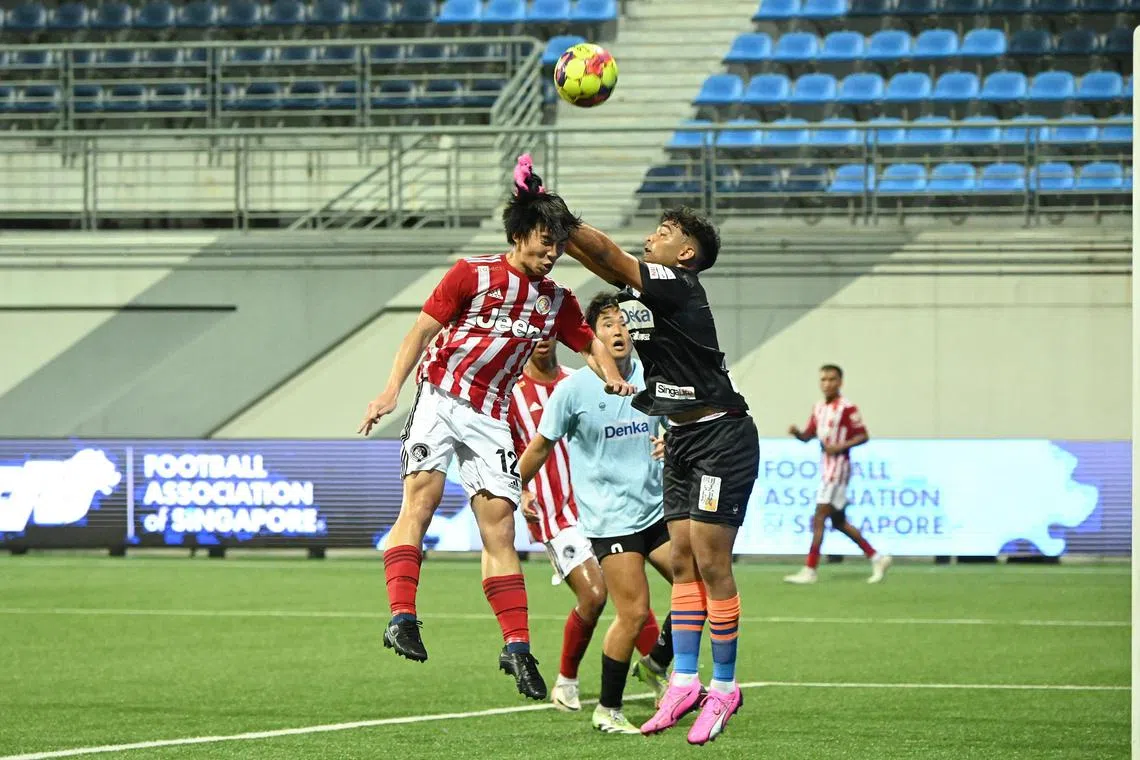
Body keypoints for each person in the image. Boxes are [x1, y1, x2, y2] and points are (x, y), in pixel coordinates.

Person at [358, 159, 635, 702]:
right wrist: (391, 391)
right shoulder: (472, 273)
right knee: (422, 498)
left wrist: (613, 379)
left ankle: (517, 647)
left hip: (490, 415)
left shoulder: (556, 299)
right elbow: (420, 331)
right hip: (439, 397)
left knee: (499, 528)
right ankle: (402, 615)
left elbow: (589, 344)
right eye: (543, 240)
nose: (552, 252)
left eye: (557, 243)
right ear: (517, 236)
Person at [517, 156, 757, 745]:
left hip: (719, 433)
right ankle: (682, 680)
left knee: (710, 562)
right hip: (679, 435)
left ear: (686, 255)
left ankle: (723, 688)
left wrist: (555, 207)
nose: (653, 236)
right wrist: (550, 218)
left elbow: (609, 255)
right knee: (679, 561)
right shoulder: (643, 296)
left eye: (665, 233)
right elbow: (598, 259)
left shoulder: (680, 286)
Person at [517, 293, 677, 735]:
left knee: (695, 586)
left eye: (625, 322)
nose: (619, 330)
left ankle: (655, 663)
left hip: (656, 511)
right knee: (632, 612)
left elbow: (674, 425)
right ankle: (608, 708)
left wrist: (672, 442)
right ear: (592, 335)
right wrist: (516, 488)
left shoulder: (654, 374)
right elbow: (540, 447)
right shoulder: (573, 391)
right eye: (608, 324)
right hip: (611, 521)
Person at [784, 364, 891, 585]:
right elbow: (808, 435)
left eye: (832, 379)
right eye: (823, 380)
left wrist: (839, 446)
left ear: (840, 382)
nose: (827, 384)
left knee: (820, 515)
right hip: (826, 467)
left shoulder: (847, 408)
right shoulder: (819, 407)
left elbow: (863, 435)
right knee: (839, 521)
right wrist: (797, 434)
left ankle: (810, 568)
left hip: (839, 468)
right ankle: (877, 557)